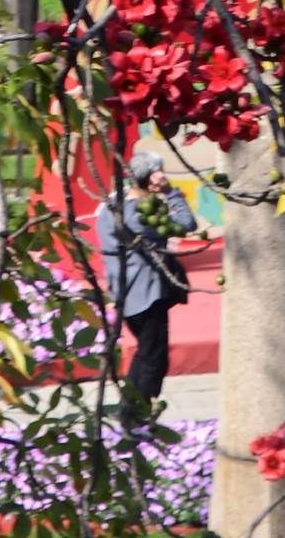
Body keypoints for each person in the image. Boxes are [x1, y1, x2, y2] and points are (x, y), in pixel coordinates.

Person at [96, 148, 196, 429]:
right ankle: (139, 417)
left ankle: (129, 412)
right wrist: (171, 192)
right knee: (154, 359)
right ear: (151, 178)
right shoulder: (142, 215)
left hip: (124, 293)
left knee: (144, 352)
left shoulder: (109, 207)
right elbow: (186, 224)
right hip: (146, 295)